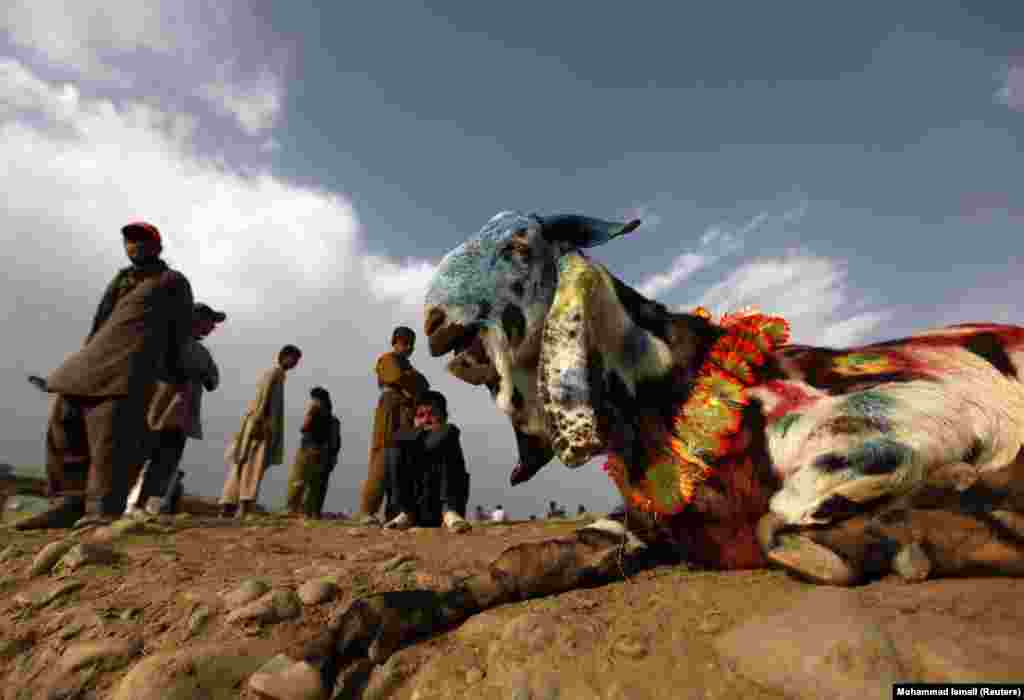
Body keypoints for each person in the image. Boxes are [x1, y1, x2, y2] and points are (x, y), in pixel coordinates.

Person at [17, 222, 193, 530]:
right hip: (91, 363)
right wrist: (81, 360)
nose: (134, 245)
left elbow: (180, 332)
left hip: (129, 368)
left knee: (110, 440)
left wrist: (177, 376)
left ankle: (102, 510)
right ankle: (68, 502)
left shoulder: (171, 281)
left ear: (158, 247)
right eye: (129, 240)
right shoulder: (122, 280)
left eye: (142, 240)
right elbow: (100, 322)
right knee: (63, 425)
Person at [125, 302, 225, 517]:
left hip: (180, 416)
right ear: (196, 319)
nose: (212, 328)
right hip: (157, 410)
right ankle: (127, 503)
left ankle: (142, 506)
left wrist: (200, 374)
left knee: (165, 464)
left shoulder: (201, 352)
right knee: (141, 457)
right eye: (210, 322)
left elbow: (213, 381)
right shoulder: (167, 340)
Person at [357, 326, 429, 524]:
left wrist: (410, 382)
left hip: (407, 413)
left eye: (411, 344)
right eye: (404, 343)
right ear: (395, 342)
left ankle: (395, 512)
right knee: (383, 455)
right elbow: (396, 378)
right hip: (391, 410)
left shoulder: (407, 366)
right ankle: (368, 511)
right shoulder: (387, 359)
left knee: (402, 461)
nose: (408, 348)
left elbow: (424, 384)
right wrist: (410, 382)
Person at [221, 345, 302, 519]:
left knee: (242, 464)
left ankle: (229, 506)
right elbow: (262, 399)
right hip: (259, 425)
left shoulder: (279, 375)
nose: (295, 363)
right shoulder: (274, 373)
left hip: (258, 424)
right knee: (252, 465)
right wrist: (259, 422)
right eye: (293, 359)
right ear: (284, 357)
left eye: (297, 361)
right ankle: (243, 507)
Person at [382, 391, 471, 533]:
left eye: (431, 414)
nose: (426, 420)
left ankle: (449, 512)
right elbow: (397, 438)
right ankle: (406, 514)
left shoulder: (449, 432)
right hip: (414, 509)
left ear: (444, 417)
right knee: (393, 450)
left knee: (446, 439)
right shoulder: (403, 438)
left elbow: (442, 435)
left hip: (444, 511)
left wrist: (424, 434)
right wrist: (421, 434)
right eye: (421, 415)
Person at [285, 386, 334, 519]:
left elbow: (305, 427)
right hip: (320, 450)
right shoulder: (329, 414)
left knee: (298, 478)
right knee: (313, 482)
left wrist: (305, 420)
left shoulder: (314, 409)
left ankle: (292, 509)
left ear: (316, 398)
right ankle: (308, 511)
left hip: (307, 448)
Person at [316, 412, 342, 517]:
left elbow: (336, 443)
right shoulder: (334, 422)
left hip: (323, 457)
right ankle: (315, 511)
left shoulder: (330, 422)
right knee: (321, 485)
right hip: (327, 457)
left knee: (319, 484)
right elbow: (337, 442)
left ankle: (313, 511)